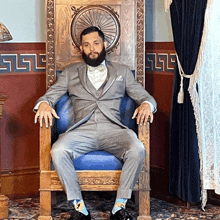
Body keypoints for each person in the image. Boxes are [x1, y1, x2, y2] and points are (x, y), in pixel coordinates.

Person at [34, 26, 157, 220]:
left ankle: (119, 207)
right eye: (86, 45)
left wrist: (147, 105)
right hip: (81, 130)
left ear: (105, 44)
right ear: (81, 49)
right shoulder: (70, 72)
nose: (92, 48)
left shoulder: (122, 71)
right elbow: (49, 96)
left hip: (114, 130)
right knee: (58, 151)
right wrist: (43, 105)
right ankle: (79, 208)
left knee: (137, 148)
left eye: (96, 43)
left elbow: (145, 97)